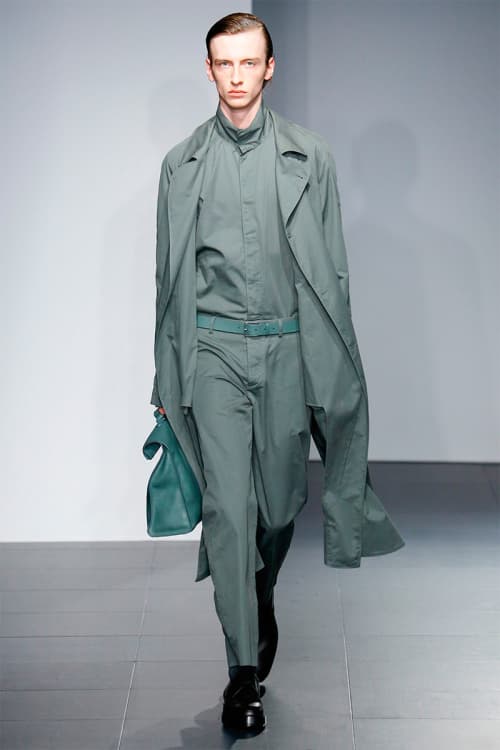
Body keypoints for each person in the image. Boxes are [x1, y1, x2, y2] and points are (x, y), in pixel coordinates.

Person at [150, 11, 404, 733]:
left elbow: (332, 273)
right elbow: (167, 281)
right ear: (209, 70)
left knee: (280, 505)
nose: (235, 76)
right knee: (229, 510)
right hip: (215, 354)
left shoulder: (309, 157)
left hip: (288, 349)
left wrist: (338, 367)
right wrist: (165, 379)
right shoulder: (180, 166)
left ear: (269, 68)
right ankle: (242, 673)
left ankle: (257, 596)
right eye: (223, 63)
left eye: (247, 62)